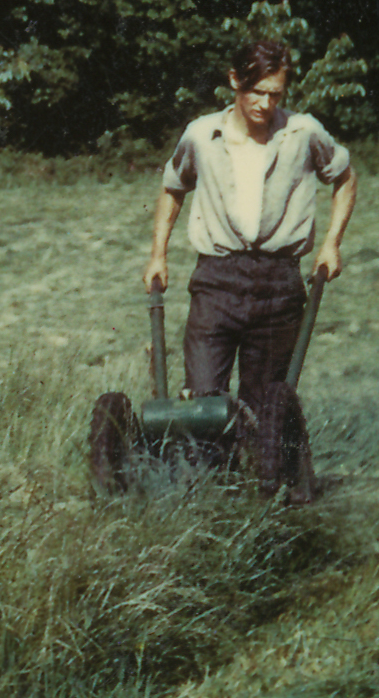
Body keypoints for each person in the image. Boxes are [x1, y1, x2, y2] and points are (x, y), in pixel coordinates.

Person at [142, 36, 355, 500]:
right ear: (235, 81)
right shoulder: (202, 134)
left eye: (275, 94)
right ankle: (206, 499)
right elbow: (172, 187)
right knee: (202, 404)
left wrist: (331, 244)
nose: (264, 103)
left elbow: (344, 177)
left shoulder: (303, 133)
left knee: (266, 407)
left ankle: (271, 503)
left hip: (279, 283)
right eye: (256, 91)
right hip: (217, 280)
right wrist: (158, 253)